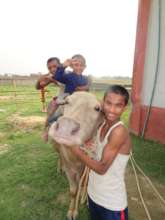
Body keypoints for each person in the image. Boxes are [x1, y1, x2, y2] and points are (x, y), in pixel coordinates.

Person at [69, 85, 131, 220]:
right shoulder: (103, 125)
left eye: (118, 106)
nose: (112, 110)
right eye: (108, 103)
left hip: (111, 202)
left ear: (124, 108)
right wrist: (91, 145)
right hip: (94, 194)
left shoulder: (119, 131)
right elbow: (101, 149)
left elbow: (102, 168)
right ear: (103, 103)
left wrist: (76, 150)